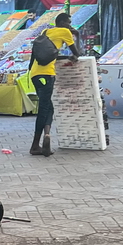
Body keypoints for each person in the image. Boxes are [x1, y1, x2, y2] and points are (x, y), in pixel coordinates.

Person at [29, 13, 81, 157]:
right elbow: (78, 53)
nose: (70, 25)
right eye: (68, 22)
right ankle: (35, 145)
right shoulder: (65, 32)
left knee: (48, 107)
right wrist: (77, 35)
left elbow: (49, 53)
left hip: (34, 74)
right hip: (47, 74)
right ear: (62, 22)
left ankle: (46, 136)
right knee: (44, 109)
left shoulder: (46, 32)